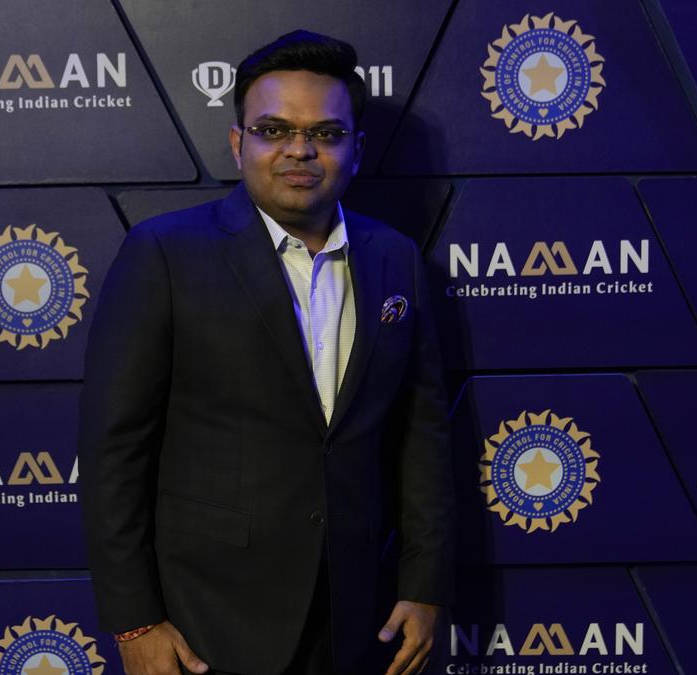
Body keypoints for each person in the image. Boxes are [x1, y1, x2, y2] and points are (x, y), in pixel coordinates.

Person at [80, 29, 454, 675]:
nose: (299, 149)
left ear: (357, 149)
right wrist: (135, 620)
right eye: (273, 130)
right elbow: (113, 449)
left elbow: (421, 436)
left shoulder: (395, 257)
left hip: (356, 618)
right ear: (238, 142)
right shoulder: (163, 253)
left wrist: (424, 586)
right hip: (207, 622)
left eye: (326, 133)